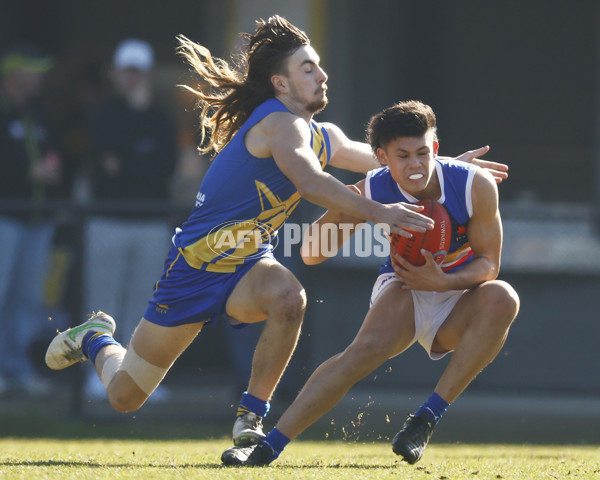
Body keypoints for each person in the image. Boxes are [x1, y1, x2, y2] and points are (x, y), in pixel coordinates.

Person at [45, 17, 507, 447]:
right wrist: (381, 212)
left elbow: (387, 161)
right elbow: (310, 182)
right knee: (125, 396)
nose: (322, 75)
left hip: (248, 264)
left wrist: (442, 169)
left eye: (320, 66)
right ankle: (96, 337)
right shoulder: (277, 123)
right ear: (280, 83)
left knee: (290, 299)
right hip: (194, 268)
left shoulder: (319, 133)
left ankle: (251, 417)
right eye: (308, 69)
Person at [220, 100, 520, 467]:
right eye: (403, 155)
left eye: (423, 153)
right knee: (362, 354)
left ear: (436, 149)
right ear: (382, 157)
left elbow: (489, 264)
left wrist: (444, 281)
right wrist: (351, 205)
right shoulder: (373, 188)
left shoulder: (474, 184)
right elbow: (311, 253)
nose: (415, 164)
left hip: (459, 291)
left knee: (504, 297)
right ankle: (268, 447)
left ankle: (426, 418)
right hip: (404, 285)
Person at [81, 39, 179, 398]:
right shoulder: (101, 115)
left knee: (144, 306)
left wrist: (127, 164)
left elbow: (162, 170)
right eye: (126, 72)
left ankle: (137, 377)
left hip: (151, 224)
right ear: (116, 75)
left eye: (138, 72)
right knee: (102, 304)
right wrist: (135, 165)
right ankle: (99, 372)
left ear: (148, 75)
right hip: (106, 221)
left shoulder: (162, 121)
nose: (132, 79)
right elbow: (106, 169)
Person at [0, 44, 62, 396]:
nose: (40, 76)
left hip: (37, 221)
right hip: (5, 218)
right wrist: (28, 171)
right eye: (34, 69)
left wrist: (52, 171)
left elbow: (53, 156)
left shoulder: (38, 114)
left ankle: (17, 367)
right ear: (15, 73)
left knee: (28, 299)